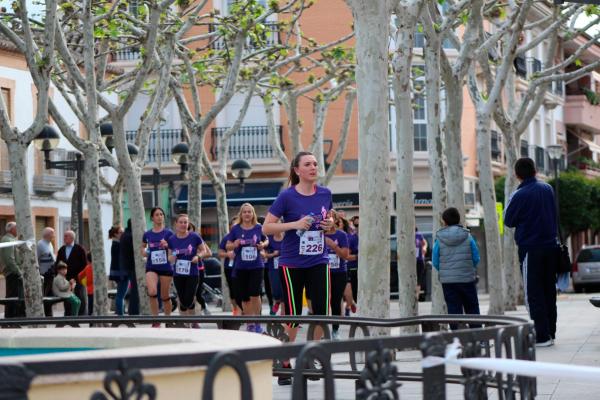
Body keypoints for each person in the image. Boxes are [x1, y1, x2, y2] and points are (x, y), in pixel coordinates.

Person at [262, 151, 334, 386]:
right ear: (297, 170)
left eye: (315, 163)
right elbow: (267, 228)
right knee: (293, 315)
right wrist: (295, 224)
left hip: (319, 260)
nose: (314, 167)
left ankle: (309, 358)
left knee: (322, 312)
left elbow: (329, 224)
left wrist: (330, 225)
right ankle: (284, 361)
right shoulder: (287, 197)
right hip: (292, 263)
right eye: (308, 164)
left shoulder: (325, 193)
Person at [504, 157, 560, 347]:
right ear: (535, 170)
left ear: (517, 174)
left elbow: (508, 220)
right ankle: (550, 332)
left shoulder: (519, 194)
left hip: (530, 248)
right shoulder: (547, 189)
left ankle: (542, 336)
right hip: (551, 247)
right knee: (548, 291)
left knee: (533, 292)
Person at [432, 207, 481, 328]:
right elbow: (476, 258)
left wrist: (446, 271)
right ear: (458, 220)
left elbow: (435, 261)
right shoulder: (468, 237)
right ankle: (479, 338)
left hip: (448, 282)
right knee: (472, 308)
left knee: (453, 310)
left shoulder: (439, 239)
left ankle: (457, 339)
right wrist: (467, 268)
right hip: (467, 279)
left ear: (445, 221)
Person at [227, 203, 269, 333]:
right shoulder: (235, 229)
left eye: (249, 212)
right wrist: (234, 244)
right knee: (245, 297)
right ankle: (250, 323)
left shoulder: (259, 227)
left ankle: (257, 322)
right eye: (244, 212)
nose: (247, 214)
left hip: (256, 266)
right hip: (240, 267)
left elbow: (266, 240)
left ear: (253, 214)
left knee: (255, 294)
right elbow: (228, 246)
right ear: (241, 214)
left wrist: (263, 244)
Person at [168, 214, 210, 328]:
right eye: (181, 222)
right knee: (182, 299)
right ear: (176, 224)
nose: (183, 224)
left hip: (192, 273)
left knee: (188, 298)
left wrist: (198, 257)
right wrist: (173, 257)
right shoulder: (172, 239)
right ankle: (186, 323)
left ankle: (191, 321)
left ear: (188, 224)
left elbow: (204, 250)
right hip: (178, 273)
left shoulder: (194, 237)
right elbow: (169, 257)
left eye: (185, 222)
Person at [142, 207, 174, 326]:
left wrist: (167, 246)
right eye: (157, 214)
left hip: (166, 267)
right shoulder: (147, 234)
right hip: (152, 267)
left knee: (165, 296)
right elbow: (143, 247)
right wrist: (145, 252)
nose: (159, 216)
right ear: (152, 218)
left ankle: (168, 320)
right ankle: (155, 321)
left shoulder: (169, 233)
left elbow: (175, 250)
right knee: (152, 291)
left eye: (161, 214)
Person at [325, 211, 350, 340]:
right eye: (325, 217)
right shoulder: (319, 234)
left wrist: (333, 245)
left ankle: (335, 330)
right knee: (322, 301)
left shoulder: (341, 235)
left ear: (335, 220)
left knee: (335, 301)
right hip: (322, 272)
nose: (328, 219)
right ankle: (322, 330)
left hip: (338, 272)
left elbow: (345, 255)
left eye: (331, 217)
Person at [56, 230, 87, 315]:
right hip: (65, 278)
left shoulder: (80, 249)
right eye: (64, 236)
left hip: (78, 278)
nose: (64, 238)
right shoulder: (62, 249)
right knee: (67, 296)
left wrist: (78, 277)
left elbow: (84, 264)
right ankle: (68, 313)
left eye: (66, 236)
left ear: (72, 238)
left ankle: (81, 314)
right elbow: (58, 264)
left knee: (80, 295)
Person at [218, 218, 242, 315]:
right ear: (230, 227)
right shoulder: (227, 238)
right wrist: (227, 255)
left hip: (243, 267)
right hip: (230, 267)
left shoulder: (245, 235)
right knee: (233, 290)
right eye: (233, 224)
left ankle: (243, 309)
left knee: (242, 289)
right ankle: (236, 309)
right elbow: (220, 252)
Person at [0, 222, 25, 317]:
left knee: (16, 296)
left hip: (15, 272)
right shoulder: (7, 240)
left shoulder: (12, 239)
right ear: (12, 229)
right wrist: (19, 272)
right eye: (17, 228)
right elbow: (9, 259)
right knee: (12, 296)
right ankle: (10, 317)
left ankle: (14, 316)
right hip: (12, 273)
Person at [188, 222, 210, 316]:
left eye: (190, 229)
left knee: (197, 292)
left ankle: (204, 307)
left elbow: (209, 253)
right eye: (187, 229)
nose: (189, 231)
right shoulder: (179, 240)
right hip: (183, 270)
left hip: (198, 268)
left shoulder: (198, 240)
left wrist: (198, 254)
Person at [119, 219, 139, 315]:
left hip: (125, 265)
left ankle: (132, 311)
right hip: (132, 266)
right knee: (135, 290)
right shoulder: (131, 236)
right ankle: (134, 311)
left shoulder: (124, 235)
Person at [108, 225, 127, 315]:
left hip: (119, 273)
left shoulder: (116, 244)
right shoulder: (117, 245)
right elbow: (120, 261)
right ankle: (121, 315)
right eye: (121, 232)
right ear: (116, 234)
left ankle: (121, 313)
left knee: (121, 294)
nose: (123, 234)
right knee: (121, 295)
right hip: (121, 273)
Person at [264, 231, 284, 316]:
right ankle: (277, 301)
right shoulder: (269, 239)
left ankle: (284, 316)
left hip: (286, 267)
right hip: (273, 268)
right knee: (276, 291)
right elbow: (264, 254)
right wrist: (273, 254)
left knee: (285, 291)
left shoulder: (287, 237)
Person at [344, 216, 358, 315]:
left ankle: (349, 306)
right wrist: (359, 257)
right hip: (350, 268)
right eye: (356, 225)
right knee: (347, 292)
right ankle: (350, 304)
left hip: (363, 270)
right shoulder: (352, 238)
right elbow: (347, 256)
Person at [37, 227, 56, 297]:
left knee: (50, 294)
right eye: (53, 234)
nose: (54, 236)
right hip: (44, 274)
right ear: (48, 235)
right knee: (45, 294)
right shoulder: (40, 244)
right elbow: (36, 258)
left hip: (50, 273)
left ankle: (49, 308)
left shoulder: (50, 244)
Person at [415, 227, 428, 301]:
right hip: (411, 260)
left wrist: (424, 248)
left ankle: (417, 295)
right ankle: (416, 294)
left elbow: (424, 242)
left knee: (419, 278)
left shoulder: (418, 235)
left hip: (419, 259)